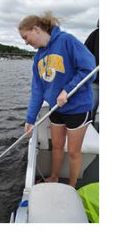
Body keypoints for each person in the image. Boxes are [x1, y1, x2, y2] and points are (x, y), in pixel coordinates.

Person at [19, 12, 96, 187]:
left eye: (26, 37)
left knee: (74, 152)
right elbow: (37, 91)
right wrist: (30, 119)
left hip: (77, 108)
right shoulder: (38, 57)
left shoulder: (67, 41)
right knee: (57, 147)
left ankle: (72, 185)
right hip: (56, 110)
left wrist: (67, 90)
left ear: (36, 29)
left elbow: (89, 69)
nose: (25, 42)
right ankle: (54, 177)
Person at [84, 21, 99, 128]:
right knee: (91, 108)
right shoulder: (95, 35)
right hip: (95, 81)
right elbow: (84, 55)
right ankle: (89, 129)